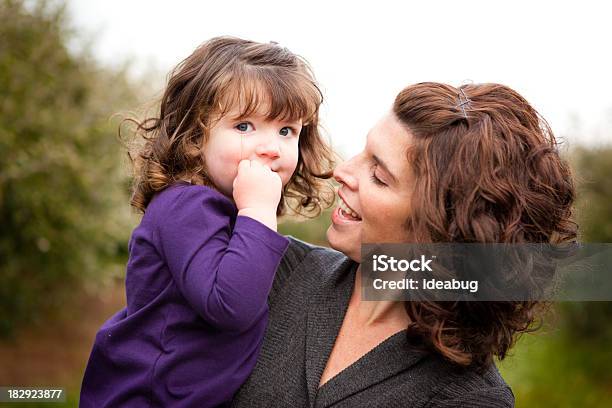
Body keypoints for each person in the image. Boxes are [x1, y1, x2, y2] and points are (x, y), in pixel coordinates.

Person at [232, 82, 577, 407]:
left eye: (379, 176)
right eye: (363, 153)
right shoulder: (268, 270)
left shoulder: (468, 398)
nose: (343, 172)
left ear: (440, 228)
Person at [80, 37, 335, 407]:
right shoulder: (186, 205)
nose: (271, 147)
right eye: (244, 126)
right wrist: (258, 212)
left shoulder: (220, 209)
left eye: (286, 131)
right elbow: (231, 305)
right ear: (196, 136)